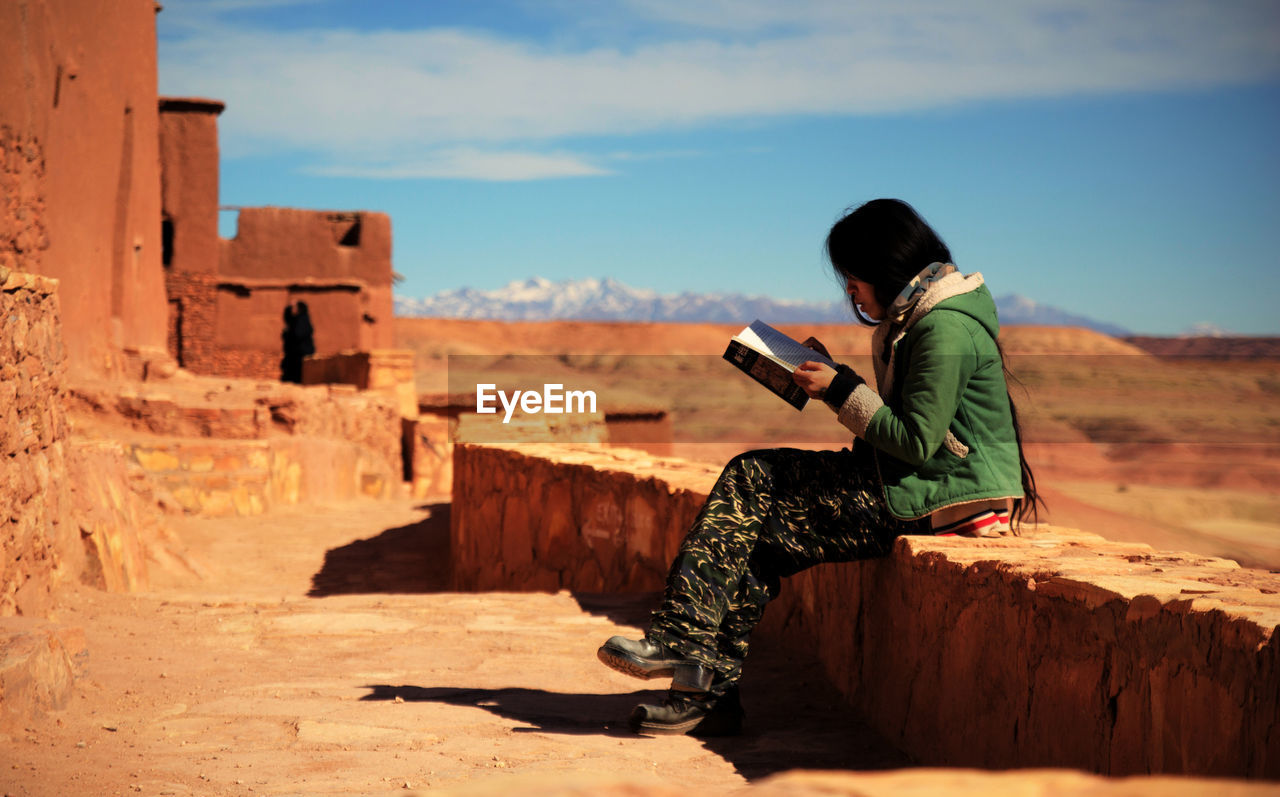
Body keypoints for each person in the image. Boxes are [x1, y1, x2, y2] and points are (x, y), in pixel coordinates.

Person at [597, 198, 1041, 736]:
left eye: (853, 278)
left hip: (940, 497)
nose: (850, 292)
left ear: (886, 267)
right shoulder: (919, 317)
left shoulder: (942, 328)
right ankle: (705, 695)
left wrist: (841, 390)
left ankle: (682, 646)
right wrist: (839, 380)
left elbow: (919, 441)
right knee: (755, 535)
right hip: (913, 483)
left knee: (751, 477)